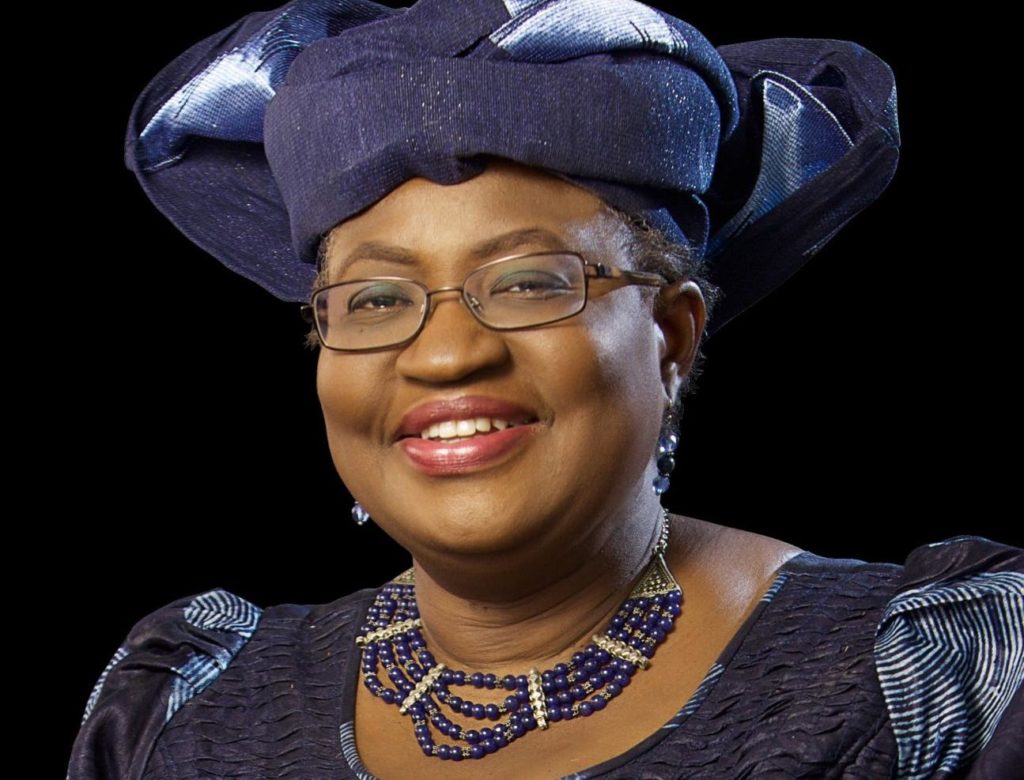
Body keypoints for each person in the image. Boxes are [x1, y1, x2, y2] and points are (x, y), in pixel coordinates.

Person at [69, 0, 1023, 778]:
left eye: (530, 283)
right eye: (375, 299)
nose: (447, 358)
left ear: (672, 336)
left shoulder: (935, 685)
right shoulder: (184, 711)